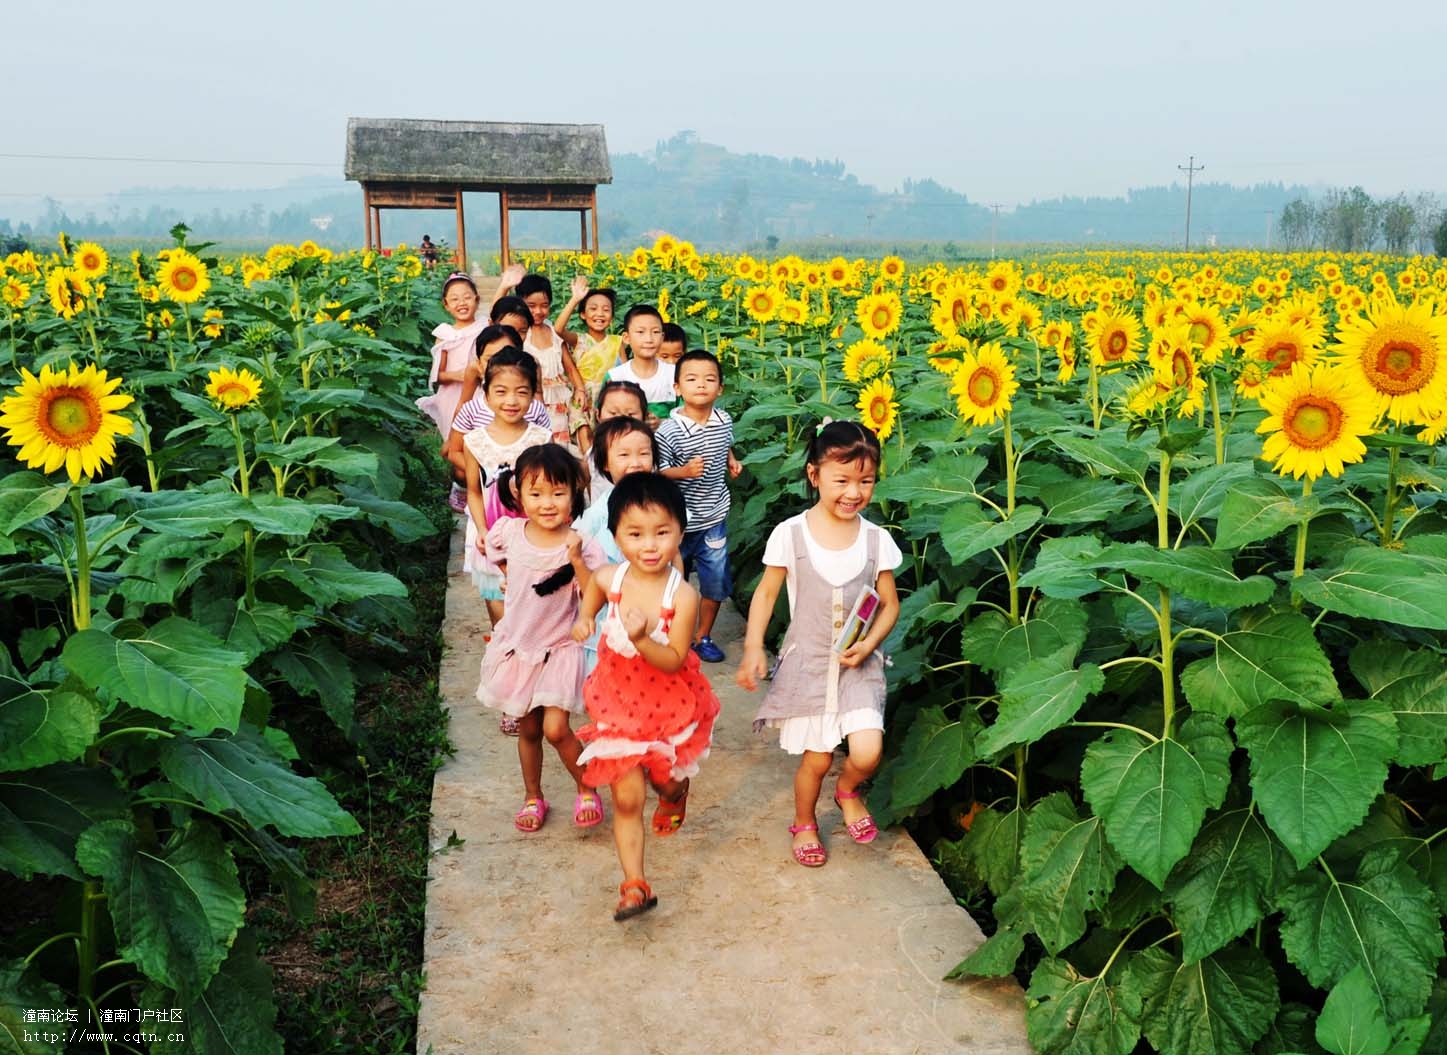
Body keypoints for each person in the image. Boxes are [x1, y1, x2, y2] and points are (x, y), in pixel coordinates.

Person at [735, 421, 902, 868]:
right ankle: (805, 821)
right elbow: (767, 594)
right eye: (842, 480)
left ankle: (848, 789)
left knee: (867, 751)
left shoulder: (876, 540)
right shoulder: (790, 534)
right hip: (809, 664)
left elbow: (889, 605)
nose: (854, 492)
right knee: (817, 757)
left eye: (865, 481)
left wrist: (870, 646)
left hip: (858, 664)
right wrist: (754, 646)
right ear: (815, 476)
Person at [571, 473, 720, 921]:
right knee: (628, 796)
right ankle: (634, 884)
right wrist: (584, 618)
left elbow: (674, 658)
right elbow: (593, 589)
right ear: (616, 535)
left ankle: (676, 795)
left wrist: (639, 638)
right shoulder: (611, 577)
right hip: (617, 705)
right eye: (635, 534)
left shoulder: (684, 596)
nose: (649, 545)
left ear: (681, 530)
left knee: (665, 781)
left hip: (666, 707)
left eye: (662, 532)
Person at [479, 444, 607, 832]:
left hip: (559, 650)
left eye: (557, 492)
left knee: (555, 728)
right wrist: (507, 575)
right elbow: (495, 556)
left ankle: (587, 788)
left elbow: (594, 595)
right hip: (519, 648)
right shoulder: (509, 533)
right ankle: (533, 796)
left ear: (575, 491)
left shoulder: (581, 544)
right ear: (518, 493)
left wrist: (576, 562)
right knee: (529, 729)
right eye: (536, 493)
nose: (547, 503)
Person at [462, 348, 552, 693]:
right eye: (501, 391)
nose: (511, 400)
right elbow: (473, 491)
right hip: (494, 542)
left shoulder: (541, 439)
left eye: (522, 392)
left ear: (533, 395)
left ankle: (537, 684)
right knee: (503, 621)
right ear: (486, 394)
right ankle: (510, 690)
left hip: (535, 542)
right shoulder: (474, 441)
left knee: (534, 616)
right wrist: (483, 532)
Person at [654, 350, 743, 663]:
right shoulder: (669, 430)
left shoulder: (724, 420)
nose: (701, 385)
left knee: (715, 580)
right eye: (691, 379)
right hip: (678, 522)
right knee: (670, 581)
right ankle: (668, 632)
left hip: (714, 515)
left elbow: (725, 441)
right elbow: (658, 471)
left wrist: (732, 461)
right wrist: (683, 472)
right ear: (677, 387)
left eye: (709, 379)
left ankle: (702, 635)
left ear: (720, 388)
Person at [575, 415, 659, 674]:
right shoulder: (598, 514)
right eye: (623, 455)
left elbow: (675, 555)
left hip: (651, 606)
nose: (635, 463)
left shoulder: (662, 503)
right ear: (605, 465)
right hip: (608, 613)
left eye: (643, 453)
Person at [443, 325, 552, 491]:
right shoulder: (472, 410)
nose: (501, 362)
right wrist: (487, 475)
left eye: (507, 354)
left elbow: (547, 452)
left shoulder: (534, 409)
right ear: (479, 364)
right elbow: (455, 451)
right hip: (485, 487)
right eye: (491, 358)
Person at [418, 273, 486, 510]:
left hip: (479, 396)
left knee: (478, 445)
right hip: (451, 398)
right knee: (457, 449)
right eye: (455, 299)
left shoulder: (484, 327)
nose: (462, 303)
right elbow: (438, 374)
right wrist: (462, 375)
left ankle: (483, 490)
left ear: (477, 300)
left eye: (467, 297)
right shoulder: (444, 333)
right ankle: (461, 486)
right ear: (446, 305)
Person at [509, 274, 586, 446]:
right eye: (531, 306)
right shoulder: (520, 334)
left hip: (558, 403)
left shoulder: (552, 332)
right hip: (530, 402)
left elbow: (570, 367)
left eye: (544, 306)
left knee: (559, 446)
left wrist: (580, 389)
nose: (538, 311)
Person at [555, 281, 623, 451]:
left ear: (612, 317)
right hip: (582, 398)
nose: (600, 314)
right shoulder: (579, 339)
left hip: (608, 398)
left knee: (607, 441)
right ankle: (591, 471)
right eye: (593, 309)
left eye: (606, 310)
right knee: (583, 433)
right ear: (583, 315)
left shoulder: (618, 342)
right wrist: (575, 299)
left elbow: (624, 372)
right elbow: (557, 329)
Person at [606, 305, 678, 424]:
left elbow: (688, 414)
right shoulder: (615, 377)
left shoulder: (675, 374)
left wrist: (662, 423)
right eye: (640, 332)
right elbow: (606, 418)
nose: (649, 339)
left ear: (662, 337)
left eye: (655, 332)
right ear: (626, 338)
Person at [586, 380, 647, 501]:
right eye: (613, 413)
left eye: (631, 414)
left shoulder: (649, 447)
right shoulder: (595, 451)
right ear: (598, 415)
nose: (621, 418)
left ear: (644, 417)